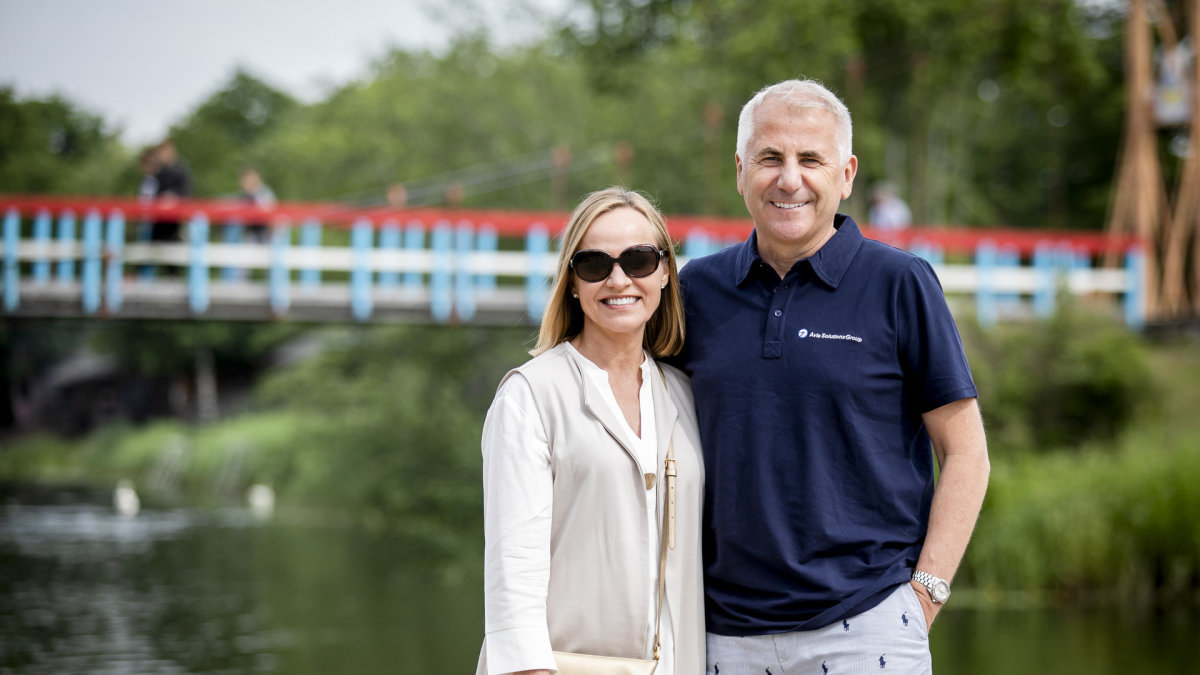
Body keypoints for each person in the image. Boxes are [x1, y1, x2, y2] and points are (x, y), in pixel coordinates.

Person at [673, 79, 990, 673]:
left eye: (810, 159)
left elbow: (966, 451)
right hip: (718, 635)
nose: (789, 178)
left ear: (845, 175)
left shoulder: (900, 283)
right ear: (741, 171)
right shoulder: (696, 290)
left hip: (866, 626)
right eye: (770, 158)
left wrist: (925, 595)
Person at [478, 187, 705, 675]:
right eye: (595, 265)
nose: (619, 279)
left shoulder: (685, 395)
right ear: (572, 282)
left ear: (665, 272)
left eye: (640, 260)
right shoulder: (530, 396)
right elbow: (512, 578)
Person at [237, 167, 277, 244]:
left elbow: (270, 214)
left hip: (266, 234)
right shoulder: (244, 196)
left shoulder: (264, 193)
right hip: (252, 234)